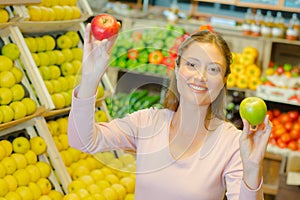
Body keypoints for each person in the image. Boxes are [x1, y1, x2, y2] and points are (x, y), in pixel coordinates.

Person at [68, 23, 272, 200]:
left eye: (213, 69)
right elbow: (83, 141)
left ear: (224, 79)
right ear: (176, 68)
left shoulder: (232, 144)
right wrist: (89, 79)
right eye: (192, 64)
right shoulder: (147, 122)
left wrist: (253, 168)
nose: (200, 76)